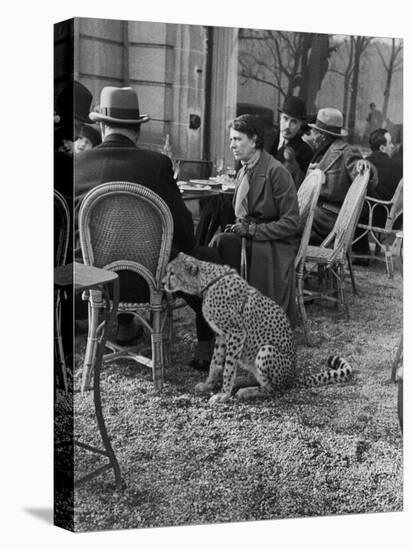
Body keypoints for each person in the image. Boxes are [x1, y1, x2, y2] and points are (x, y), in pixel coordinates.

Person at [74, 86, 197, 344]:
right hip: (147, 279)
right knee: (204, 257)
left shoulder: (77, 164)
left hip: (92, 280)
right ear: (138, 130)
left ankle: (119, 327)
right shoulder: (157, 164)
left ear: (103, 127)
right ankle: (206, 346)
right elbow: (185, 229)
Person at [211, 114, 300, 329]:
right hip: (252, 238)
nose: (232, 145)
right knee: (215, 235)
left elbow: (291, 222)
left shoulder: (276, 172)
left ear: (254, 140)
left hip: (273, 244)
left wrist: (252, 230)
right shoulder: (245, 170)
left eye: (238, 139)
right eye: (231, 139)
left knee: (221, 244)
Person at [306, 107, 378, 246]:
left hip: (329, 218)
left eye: (314, 132)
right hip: (316, 213)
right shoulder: (321, 152)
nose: (312, 136)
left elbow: (366, 178)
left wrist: (365, 165)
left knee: (286, 221)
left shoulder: (346, 152)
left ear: (323, 135)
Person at [353, 128, 403, 259]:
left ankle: (360, 253)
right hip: (394, 219)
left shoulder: (365, 164)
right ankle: (383, 254)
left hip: (371, 215)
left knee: (357, 207)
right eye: (390, 143)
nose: (392, 146)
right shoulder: (398, 166)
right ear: (382, 148)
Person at [265, 96, 313, 189]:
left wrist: (293, 163)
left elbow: (301, 186)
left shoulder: (305, 152)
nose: (287, 126)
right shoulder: (265, 138)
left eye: (294, 122)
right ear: (280, 118)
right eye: (285, 119)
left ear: (300, 124)